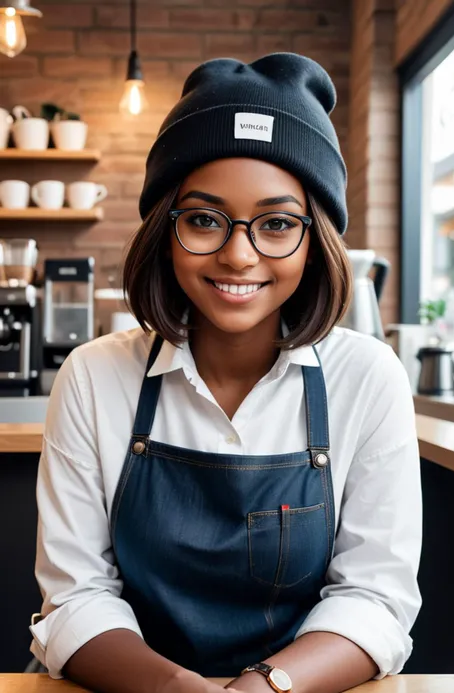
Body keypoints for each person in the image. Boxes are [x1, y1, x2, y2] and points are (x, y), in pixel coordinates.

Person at [29, 53, 422, 693]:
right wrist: (181, 689)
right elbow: (74, 599)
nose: (238, 255)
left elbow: (375, 599)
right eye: (205, 219)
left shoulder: (367, 377)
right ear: (165, 229)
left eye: (276, 224)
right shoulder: (94, 376)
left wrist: (264, 687)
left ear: (316, 238)